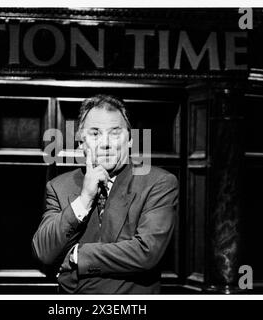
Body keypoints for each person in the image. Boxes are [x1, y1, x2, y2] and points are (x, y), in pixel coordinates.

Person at [32, 94, 178, 294]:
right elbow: (45, 252)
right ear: (81, 143)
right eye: (94, 134)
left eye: (115, 133)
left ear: (130, 140)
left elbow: (146, 252)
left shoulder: (158, 183)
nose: (105, 143)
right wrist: (84, 199)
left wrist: (77, 256)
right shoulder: (59, 186)